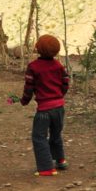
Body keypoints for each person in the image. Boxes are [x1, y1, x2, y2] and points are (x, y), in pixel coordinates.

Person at [21, 34, 70, 177]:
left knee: (39, 137)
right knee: (56, 134)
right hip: (59, 107)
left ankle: (46, 168)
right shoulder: (59, 66)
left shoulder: (33, 67)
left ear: (38, 49)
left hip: (44, 110)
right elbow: (65, 83)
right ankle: (60, 160)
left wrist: (25, 100)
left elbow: (29, 87)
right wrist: (59, 96)